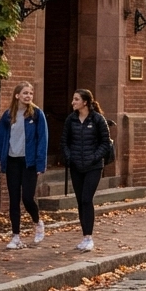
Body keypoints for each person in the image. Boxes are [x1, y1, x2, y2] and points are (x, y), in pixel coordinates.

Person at [0, 81, 48, 249]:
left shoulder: (36, 115)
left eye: (30, 93)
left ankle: (37, 222)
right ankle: (16, 237)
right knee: (13, 200)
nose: (28, 96)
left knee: (27, 198)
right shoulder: (8, 116)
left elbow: (43, 141)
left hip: (29, 163)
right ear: (17, 95)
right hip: (12, 161)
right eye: (25, 93)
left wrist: (40, 164)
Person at [60, 89, 111, 252]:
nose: (73, 102)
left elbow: (105, 143)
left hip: (93, 166)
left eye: (76, 99)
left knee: (87, 199)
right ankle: (84, 236)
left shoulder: (97, 119)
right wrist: (69, 157)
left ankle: (89, 237)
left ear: (85, 102)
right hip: (76, 166)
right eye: (73, 99)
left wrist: (95, 157)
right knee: (80, 200)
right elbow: (64, 141)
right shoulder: (71, 119)